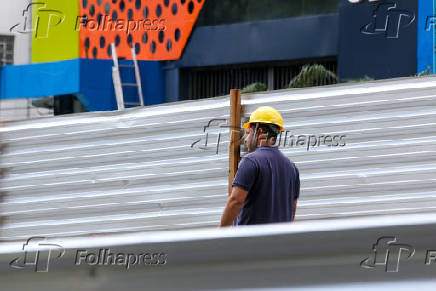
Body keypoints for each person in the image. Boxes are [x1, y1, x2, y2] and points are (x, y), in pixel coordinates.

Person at [220, 106, 300, 227]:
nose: (246, 139)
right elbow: (292, 210)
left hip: (250, 242)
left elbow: (235, 201)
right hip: (279, 242)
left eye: (248, 133)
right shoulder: (292, 168)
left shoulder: (250, 161)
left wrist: (220, 233)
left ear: (260, 132)